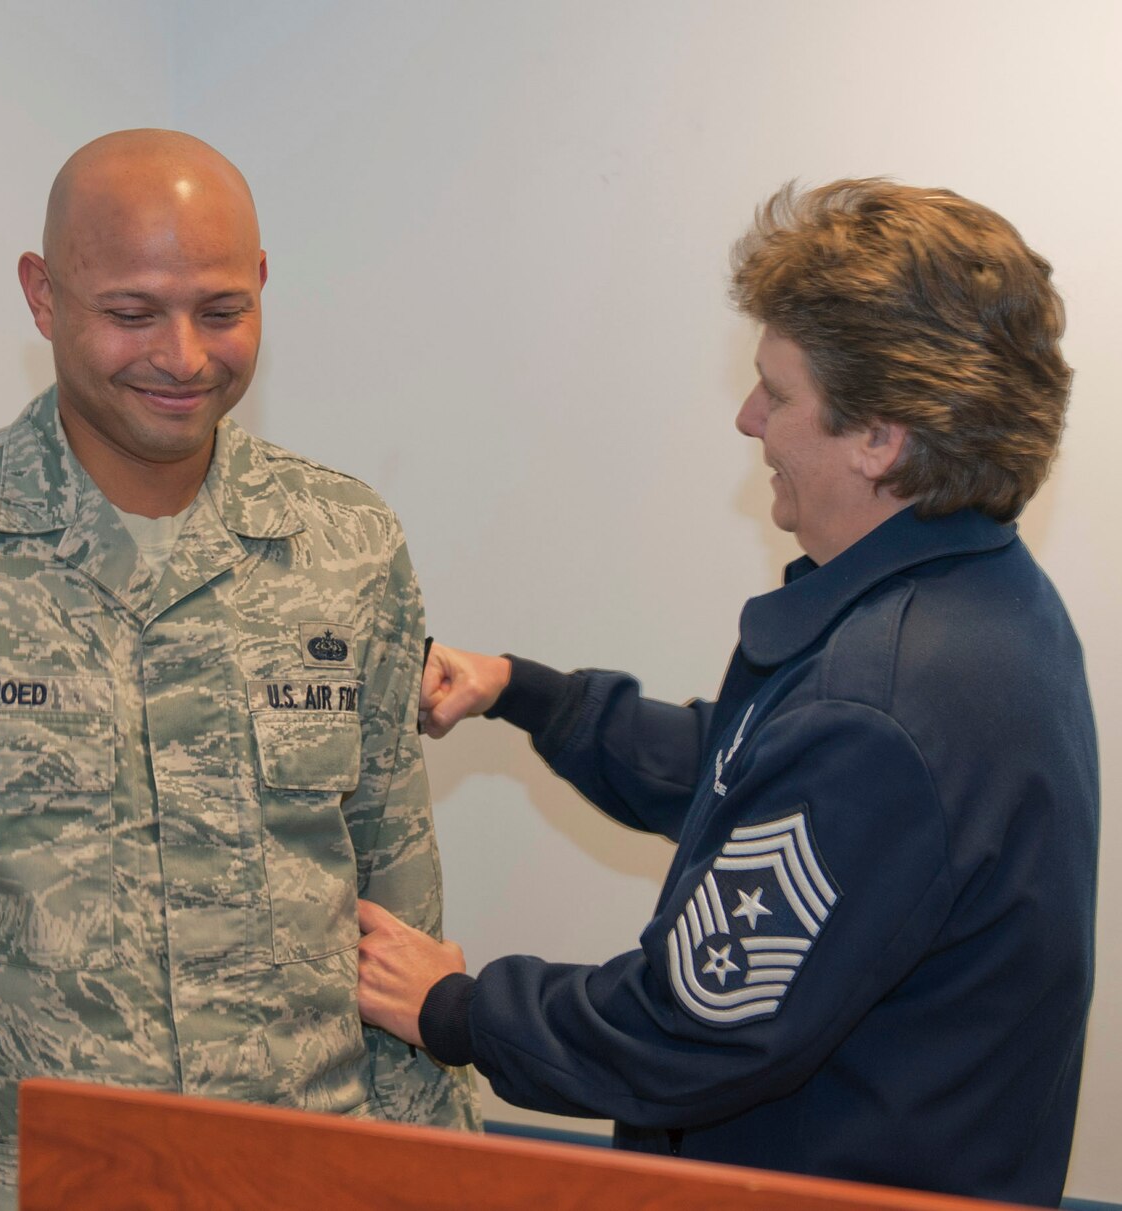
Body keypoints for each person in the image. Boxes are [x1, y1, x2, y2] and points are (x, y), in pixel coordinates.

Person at [0, 129, 475, 1210]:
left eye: (220, 309)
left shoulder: (344, 541)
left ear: (260, 287)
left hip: (302, 1168)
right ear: (42, 295)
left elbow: (398, 899)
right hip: (31, 1179)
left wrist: (427, 1172)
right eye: (132, 312)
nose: (184, 356)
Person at [359, 180, 1095, 1205]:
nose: (747, 420)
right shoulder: (981, 601)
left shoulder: (879, 708)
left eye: (776, 392)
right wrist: (526, 694)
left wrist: (453, 1006)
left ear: (880, 434)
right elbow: (745, 774)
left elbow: (684, 1025)